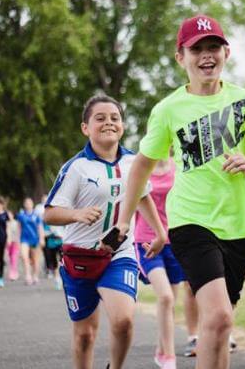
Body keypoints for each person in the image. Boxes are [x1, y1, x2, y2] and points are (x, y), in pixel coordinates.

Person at [114, 14, 245, 369]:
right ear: (181, 57)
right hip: (191, 221)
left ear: (226, 52)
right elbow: (140, 168)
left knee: (221, 325)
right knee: (220, 317)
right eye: (197, 49)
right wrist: (122, 222)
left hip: (237, 225)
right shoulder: (168, 110)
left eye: (214, 47)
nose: (207, 55)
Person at [44, 94, 166, 369]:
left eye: (115, 118)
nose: (108, 123)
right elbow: (49, 213)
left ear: (122, 126)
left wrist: (159, 233)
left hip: (118, 255)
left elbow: (142, 196)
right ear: (85, 128)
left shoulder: (135, 162)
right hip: (80, 259)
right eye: (100, 118)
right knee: (85, 335)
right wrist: (77, 214)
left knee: (123, 320)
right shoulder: (75, 168)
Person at [132, 156, 186, 368]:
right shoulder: (143, 167)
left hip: (176, 242)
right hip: (147, 241)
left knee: (170, 301)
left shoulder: (178, 166)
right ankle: (169, 358)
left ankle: (161, 349)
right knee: (165, 296)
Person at [17, 197, 45, 285]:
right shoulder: (21, 215)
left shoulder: (36, 215)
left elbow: (40, 228)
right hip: (24, 239)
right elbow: (19, 228)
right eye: (26, 203)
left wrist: (42, 239)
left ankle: (35, 276)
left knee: (35, 260)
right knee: (24, 257)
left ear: (32, 204)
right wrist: (17, 240)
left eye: (30, 203)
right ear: (24, 205)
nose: (28, 204)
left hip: (35, 239)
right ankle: (28, 276)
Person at [43, 222, 64, 289]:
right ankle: (57, 279)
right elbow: (43, 232)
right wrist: (51, 233)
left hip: (61, 243)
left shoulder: (62, 220)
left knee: (61, 262)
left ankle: (60, 279)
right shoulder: (47, 221)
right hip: (51, 244)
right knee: (54, 263)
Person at [6, 208, 20, 281]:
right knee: (10, 258)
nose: (9, 216)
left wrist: (18, 240)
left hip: (15, 242)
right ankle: (13, 271)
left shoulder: (16, 222)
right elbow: (7, 232)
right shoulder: (6, 223)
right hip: (8, 243)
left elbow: (19, 232)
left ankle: (14, 273)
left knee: (14, 257)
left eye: (10, 214)